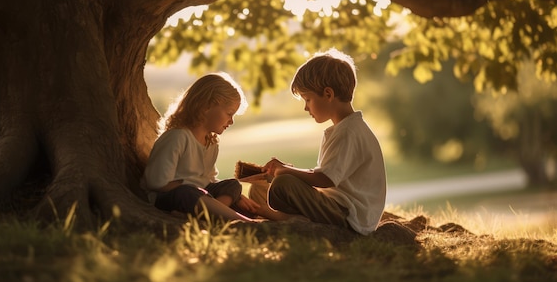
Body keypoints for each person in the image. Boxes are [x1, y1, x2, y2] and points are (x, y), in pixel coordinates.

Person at [249, 49, 387, 235]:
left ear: (328, 94)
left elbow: (325, 179)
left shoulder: (348, 132)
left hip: (348, 214)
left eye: (308, 99)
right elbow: (325, 174)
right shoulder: (345, 128)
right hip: (336, 205)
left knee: (283, 184)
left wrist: (287, 171)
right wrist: (284, 169)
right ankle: (287, 216)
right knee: (261, 187)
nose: (306, 107)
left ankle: (284, 218)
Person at [144, 72, 260, 222]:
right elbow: (156, 182)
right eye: (229, 114)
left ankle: (210, 213)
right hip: (172, 197)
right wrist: (197, 189)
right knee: (189, 193)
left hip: (202, 195)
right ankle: (241, 221)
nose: (231, 121)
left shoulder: (211, 143)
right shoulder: (177, 137)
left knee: (233, 185)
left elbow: (209, 179)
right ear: (207, 106)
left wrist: (234, 194)